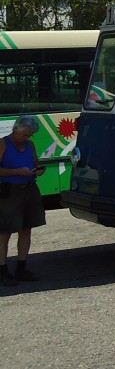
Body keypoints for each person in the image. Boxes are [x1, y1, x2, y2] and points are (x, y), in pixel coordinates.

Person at [0, 116, 47, 286]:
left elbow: (34, 163)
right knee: (5, 232)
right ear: (15, 129)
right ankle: (2, 270)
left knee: (26, 230)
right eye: (24, 134)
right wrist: (17, 171)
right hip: (8, 191)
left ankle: (21, 267)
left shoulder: (30, 145)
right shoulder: (3, 144)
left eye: (29, 135)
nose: (26, 138)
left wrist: (38, 170)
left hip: (29, 189)